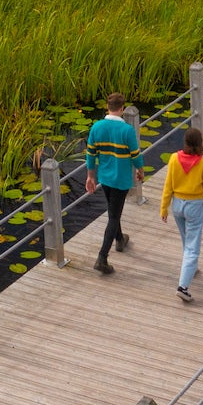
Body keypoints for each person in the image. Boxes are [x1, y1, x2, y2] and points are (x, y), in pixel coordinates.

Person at [158, 127, 203, 303]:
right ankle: (183, 287)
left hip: (177, 205)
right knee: (193, 247)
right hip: (194, 206)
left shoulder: (174, 159)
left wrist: (164, 208)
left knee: (186, 239)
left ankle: (193, 267)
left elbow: (168, 185)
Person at [84, 93, 141, 275]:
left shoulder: (97, 127)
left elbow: (90, 154)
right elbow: (135, 154)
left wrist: (90, 176)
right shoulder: (127, 131)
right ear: (122, 108)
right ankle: (102, 258)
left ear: (107, 107)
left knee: (113, 211)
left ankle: (120, 239)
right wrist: (140, 170)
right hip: (121, 179)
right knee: (114, 216)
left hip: (105, 177)